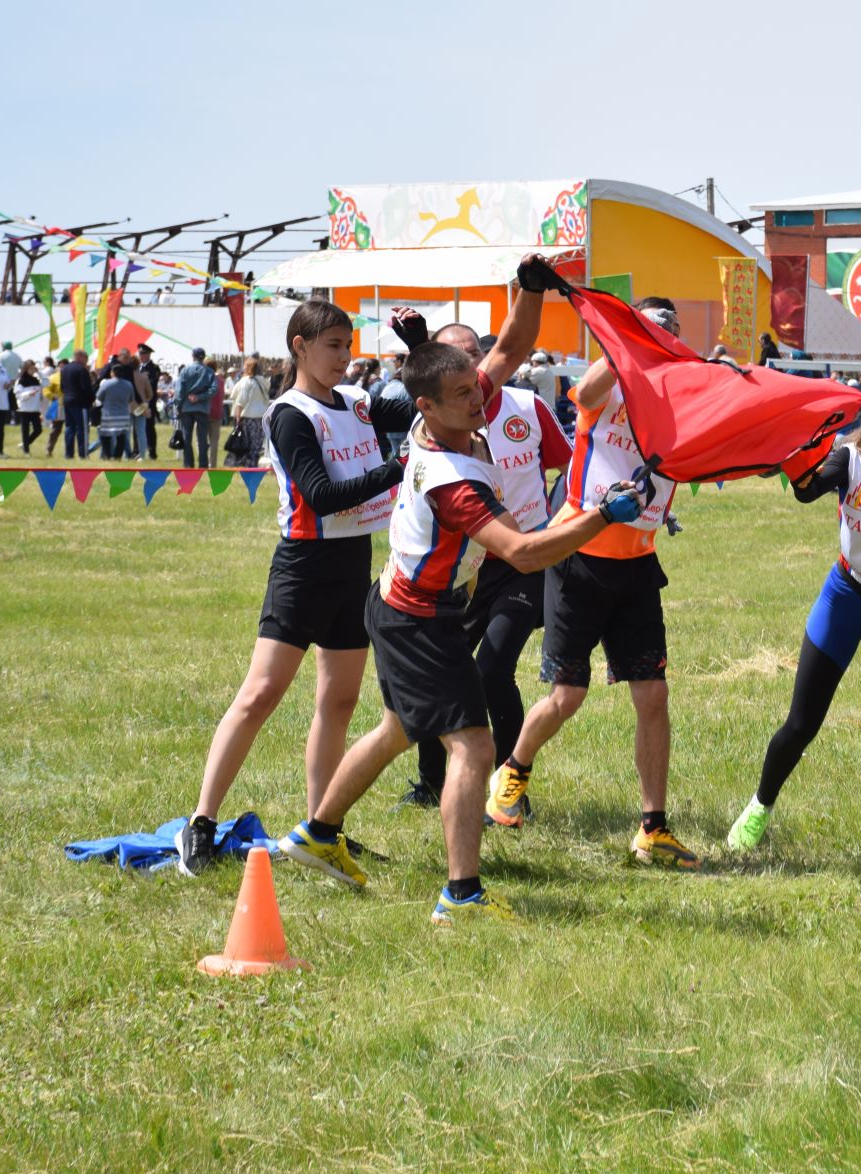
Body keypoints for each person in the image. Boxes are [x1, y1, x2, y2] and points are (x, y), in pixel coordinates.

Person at [175, 264, 551, 879]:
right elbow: (322, 495)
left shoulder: (355, 401)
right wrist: (397, 468)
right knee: (260, 695)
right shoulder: (290, 412)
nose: (344, 358)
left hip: (357, 565)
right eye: (332, 347)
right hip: (303, 564)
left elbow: (422, 405)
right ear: (299, 348)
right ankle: (202, 820)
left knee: (341, 701)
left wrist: (416, 347)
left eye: (349, 346)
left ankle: (323, 828)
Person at [273, 340, 646, 913]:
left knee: (395, 731)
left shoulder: (450, 415)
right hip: (417, 617)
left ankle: (316, 836)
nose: (480, 400)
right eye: (463, 394)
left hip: (401, 603)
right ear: (427, 406)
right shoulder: (455, 483)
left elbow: (514, 343)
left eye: (477, 386)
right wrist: (600, 516)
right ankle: (462, 894)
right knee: (474, 746)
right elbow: (522, 552)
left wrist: (531, 288)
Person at [485, 295, 695, 871]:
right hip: (577, 555)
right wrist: (631, 343)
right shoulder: (606, 387)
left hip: (638, 563)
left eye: (672, 329)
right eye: (653, 328)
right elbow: (588, 390)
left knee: (653, 695)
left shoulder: (680, 404)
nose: (664, 337)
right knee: (565, 697)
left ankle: (653, 827)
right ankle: (513, 772)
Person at [725, 407, 861, 868]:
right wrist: (791, 454)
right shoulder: (851, 459)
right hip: (846, 596)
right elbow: (808, 492)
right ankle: (759, 807)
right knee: (801, 723)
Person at [391, 314, 572, 810]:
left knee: (492, 670)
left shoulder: (526, 407)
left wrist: (562, 519)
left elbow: (571, 464)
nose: (470, 363)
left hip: (523, 561)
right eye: (456, 355)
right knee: (444, 675)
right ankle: (430, 783)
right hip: (465, 571)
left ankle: (510, 789)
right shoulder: (433, 421)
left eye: (474, 352)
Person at [175, 346, 218, 468]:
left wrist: (178, 406)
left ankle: (188, 464)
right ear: (203, 357)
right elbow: (214, 389)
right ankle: (203, 464)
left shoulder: (185, 371)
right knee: (202, 438)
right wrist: (200, 397)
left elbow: (179, 391)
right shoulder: (209, 372)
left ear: (193, 356)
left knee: (186, 437)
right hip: (202, 408)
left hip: (187, 408)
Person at [226, 355, 270, 465]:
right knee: (257, 444)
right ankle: (254, 463)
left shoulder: (247, 382)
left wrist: (237, 417)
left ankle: (249, 465)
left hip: (248, 416)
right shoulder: (264, 381)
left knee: (247, 443)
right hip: (261, 416)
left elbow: (240, 401)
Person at [95, 361, 137, 460]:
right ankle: (118, 456)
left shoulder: (106, 384)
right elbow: (131, 399)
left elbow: (99, 398)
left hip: (108, 415)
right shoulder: (128, 384)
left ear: (112, 372)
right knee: (121, 437)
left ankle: (108, 455)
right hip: (123, 415)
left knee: (105, 436)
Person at [58, 349, 94, 459]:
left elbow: (62, 387)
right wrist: (92, 400)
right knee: (82, 429)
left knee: (69, 428)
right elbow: (86, 388)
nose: (86, 361)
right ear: (80, 357)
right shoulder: (81, 370)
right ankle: (83, 454)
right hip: (80, 403)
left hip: (68, 401)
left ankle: (69, 454)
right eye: (86, 358)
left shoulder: (64, 369)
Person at [13, 360, 44, 453]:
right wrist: (29, 394)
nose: (32, 370)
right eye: (30, 368)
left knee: (38, 430)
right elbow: (18, 395)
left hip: (35, 409)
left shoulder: (36, 380)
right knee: (25, 431)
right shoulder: (20, 380)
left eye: (33, 369)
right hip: (24, 409)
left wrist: (39, 372)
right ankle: (26, 451)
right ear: (25, 369)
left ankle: (24, 444)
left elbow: (47, 381)